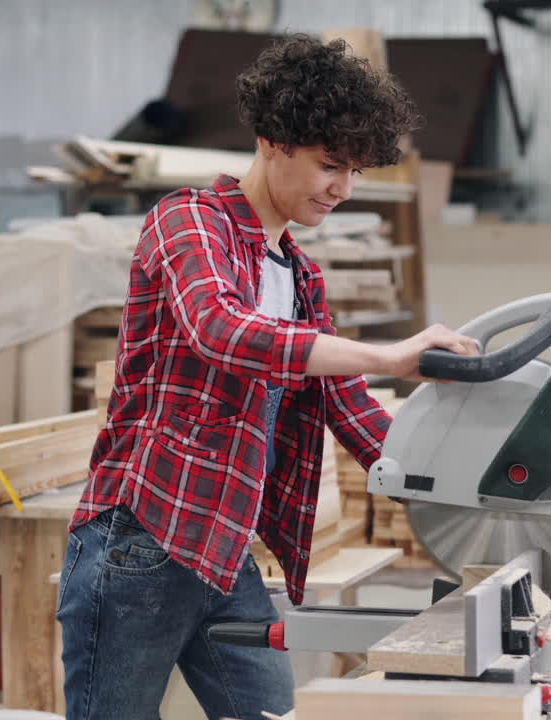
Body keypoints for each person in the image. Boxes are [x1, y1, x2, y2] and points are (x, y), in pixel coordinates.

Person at [56, 33, 480, 720]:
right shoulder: (188, 222)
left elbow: (353, 411)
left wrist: (469, 488)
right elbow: (222, 332)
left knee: (274, 714)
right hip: (138, 544)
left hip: (223, 553)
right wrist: (388, 354)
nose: (342, 190)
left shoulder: (301, 276)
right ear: (272, 139)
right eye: (330, 166)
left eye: (356, 173)